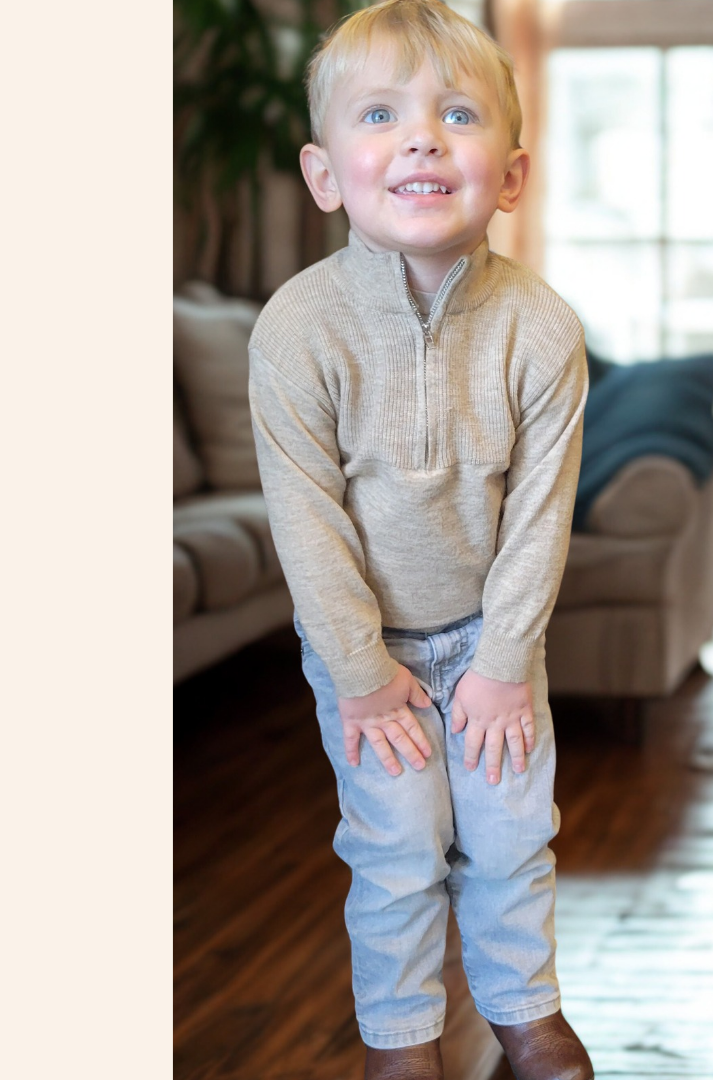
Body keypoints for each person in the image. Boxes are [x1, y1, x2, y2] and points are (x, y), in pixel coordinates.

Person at [247, 2, 592, 1077]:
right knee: (394, 854)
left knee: (510, 842)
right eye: (382, 114)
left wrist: (502, 663)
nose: (422, 138)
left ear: (513, 173)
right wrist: (360, 672)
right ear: (324, 173)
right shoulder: (298, 329)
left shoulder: (541, 329)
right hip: (369, 661)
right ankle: (403, 1043)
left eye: (457, 114)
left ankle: (524, 1014)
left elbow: (542, 514)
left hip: (495, 643)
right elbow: (306, 519)